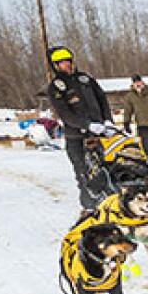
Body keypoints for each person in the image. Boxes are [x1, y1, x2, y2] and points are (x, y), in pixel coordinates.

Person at [46, 45, 115, 210]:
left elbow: (102, 99)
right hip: (76, 136)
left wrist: (107, 120)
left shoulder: (86, 79)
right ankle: (89, 207)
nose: (66, 65)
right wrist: (86, 124)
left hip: (98, 133)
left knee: (106, 168)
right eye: (61, 63)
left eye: (67, 61)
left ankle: (112, 201)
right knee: (83, 173)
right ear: (56, 66)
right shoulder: (56, 86)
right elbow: (65, 113)